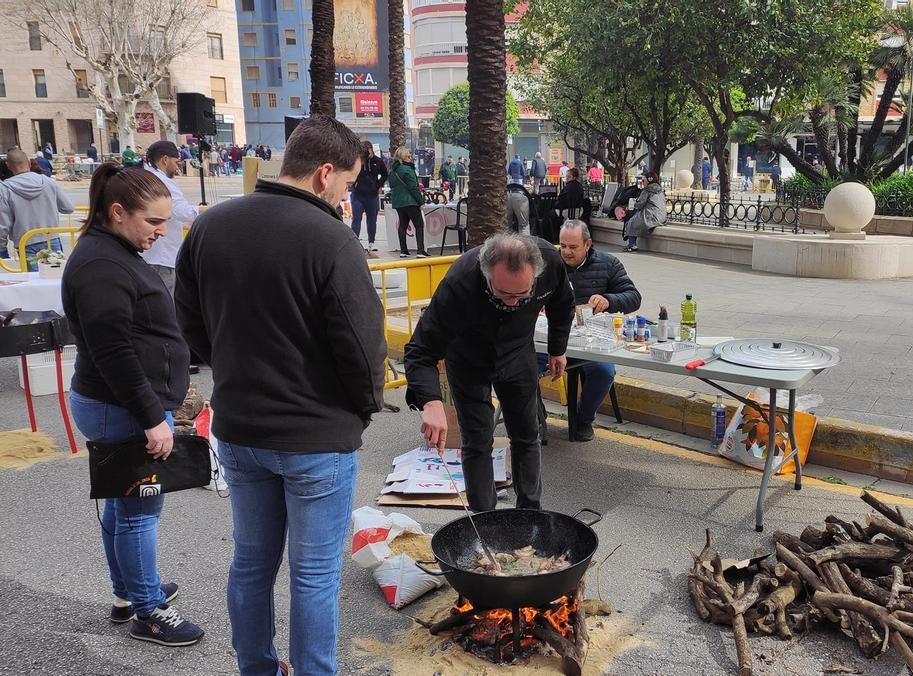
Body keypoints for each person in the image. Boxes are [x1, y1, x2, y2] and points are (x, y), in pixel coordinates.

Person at [175, 115, 386, 676]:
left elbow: (191, 325)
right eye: (347, 182)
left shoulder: (210, 226)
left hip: (240, 428)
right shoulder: (332, 239)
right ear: (323, 174)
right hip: (315, 437)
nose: (347, 193)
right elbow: (363, 350)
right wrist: (361, 408)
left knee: (251, 563)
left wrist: (234, 367)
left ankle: (257, 669)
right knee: (313, 575)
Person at [62, 162, 203, 647]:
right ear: (118, 212)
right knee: (140, 509)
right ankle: (147, 609)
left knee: (123, 507)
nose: (162, 232)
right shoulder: (102, 264)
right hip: (121, 406)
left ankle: (129, 591)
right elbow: (113, 351)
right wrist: (151, 418)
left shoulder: (111, 250)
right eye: (153, 223)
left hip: (117, 402)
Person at [404, 233, 573, 511]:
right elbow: (421, 349)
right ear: (486, 275)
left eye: (522, 295)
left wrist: (557, 349)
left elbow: (562, 303)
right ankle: (484, 521)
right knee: (477, 439)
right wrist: (431, 402)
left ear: (536, 275)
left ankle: (530, 513)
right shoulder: (460, 280)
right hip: (468, 358)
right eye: (503, 294)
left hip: (518, 354)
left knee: (526, 434)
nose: (512, 303)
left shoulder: (550, 262)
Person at [541, 220, 640, 440]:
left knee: (604, 372)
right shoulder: (549, 264)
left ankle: (584, 419)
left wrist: (609, 300)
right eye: (563, 246)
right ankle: (536, 416)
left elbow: (634, 297)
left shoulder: (608, 263)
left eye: (573, 247)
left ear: (588, 244)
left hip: (592, 339)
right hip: (552, 337)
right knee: (518, 366)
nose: (566, 252)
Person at [0, 148, 74, 270]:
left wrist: (2, 248)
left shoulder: (5, 189)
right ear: (29, 162)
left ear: (8, 166)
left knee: (34, 280)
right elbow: (68, 208)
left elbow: (3, 223)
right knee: (55, 277)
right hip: (51, 239)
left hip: (25, 242)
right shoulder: (48, 182)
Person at [141, 141, 198, 295]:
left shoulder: (144, 177)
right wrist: (205, 212)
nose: (177, 166)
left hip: (147, 255)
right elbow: (180, 211)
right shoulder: (164, 182)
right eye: (176, 161)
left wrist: (182, 226)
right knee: (166, 304)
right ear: (165, 160)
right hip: (163, 257)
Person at [387, 146, 430, 258]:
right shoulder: (408, 170)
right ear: (403, 157)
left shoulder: (392, 171)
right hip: (410, 201)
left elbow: (392, 186)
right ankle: (420, 251)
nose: (411, 158)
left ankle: (403, 250)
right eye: (408, 156)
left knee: (402, 225)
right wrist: (421, 202)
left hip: (398, 202)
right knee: (419, 225)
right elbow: (413, 188)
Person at [350, 141, 388, 252]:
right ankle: (355, 242)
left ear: (371, 149)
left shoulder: (378, 161)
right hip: (358, 195)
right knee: (356, 219)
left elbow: (385, 174)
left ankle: (371, 242)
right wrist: (354, 183)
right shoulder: (358, 161)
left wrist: (378, 185)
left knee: (372, 220)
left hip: (372, 195)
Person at [623, 171, 665, 252]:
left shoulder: (647, 190)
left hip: (651, 216)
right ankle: (631, 244)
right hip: (661, 217)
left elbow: (639, 205)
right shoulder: (660, 189)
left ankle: (632, 245)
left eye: (643, 181)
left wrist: (634, 204)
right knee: (634, 220)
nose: (642, 183)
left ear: (649, 180)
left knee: (630, 222)